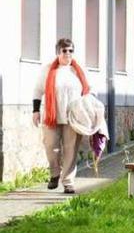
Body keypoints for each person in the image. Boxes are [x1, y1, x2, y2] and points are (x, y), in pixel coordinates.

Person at [32, 38, 91, 194]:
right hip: (52, 115)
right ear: (58, 52)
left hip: (73, 117)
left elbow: (88, 92)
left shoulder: (78, 71)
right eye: (64, 50)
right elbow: (38, 91)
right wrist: (35, 110)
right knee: (51, 146)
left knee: (71, 149)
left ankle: (68, 182)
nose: (67, 53)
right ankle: (54, 174)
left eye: (70, 50)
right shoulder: (47, 70)